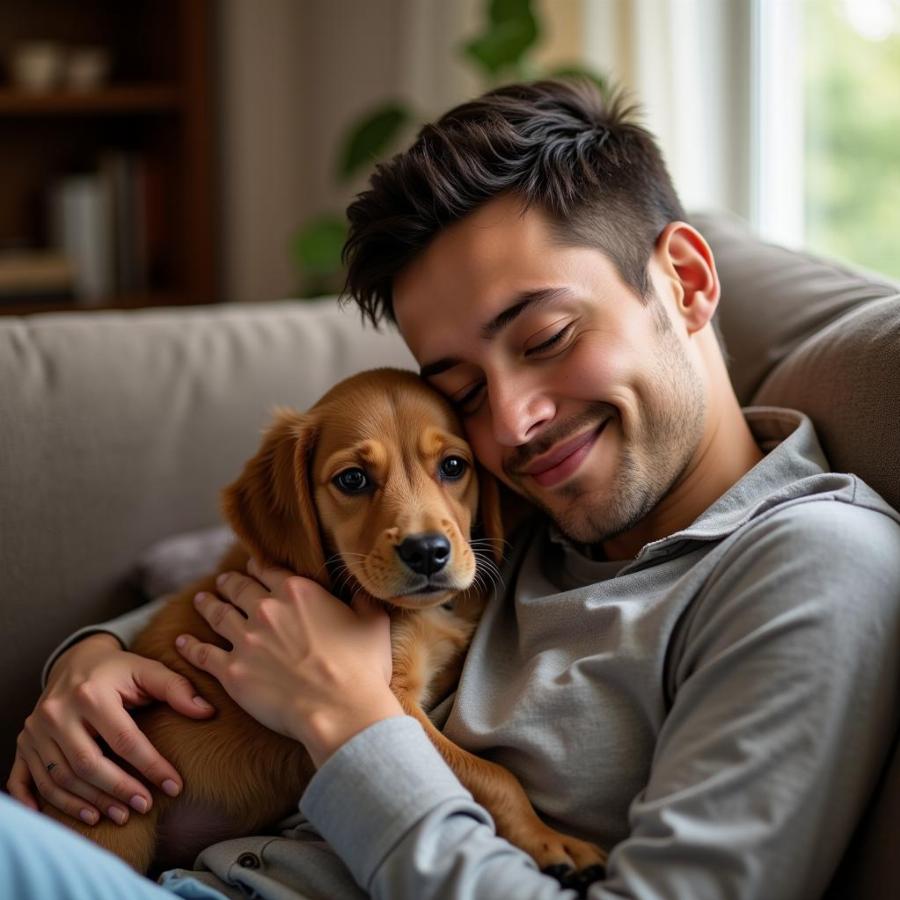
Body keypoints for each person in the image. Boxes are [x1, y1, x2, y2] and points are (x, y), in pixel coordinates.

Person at [5, 78, 900, 900]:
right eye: (463, 388)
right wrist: (86, 664)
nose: (510, 424)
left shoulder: (810, 568)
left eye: (546, 335)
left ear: (688, 280)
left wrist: (348, 723)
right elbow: (260, 580)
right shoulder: (527, 511)